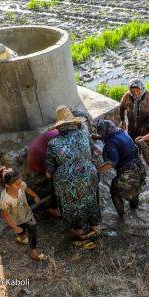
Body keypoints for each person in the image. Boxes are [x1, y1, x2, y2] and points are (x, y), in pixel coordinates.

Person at [45, 106, 101, 248]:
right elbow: (93, 152)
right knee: (91, 199)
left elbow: (49, 170)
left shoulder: (53, 143)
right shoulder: (84, 134)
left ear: (59, 127)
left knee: (72, 207)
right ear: (73, 122)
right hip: (88, 172)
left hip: (66, 179)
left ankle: (80, 233)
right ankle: (95, 228)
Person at [95, 120, 146, 218]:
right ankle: (134, 209)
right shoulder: (122, 132)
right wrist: (99, 137)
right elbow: (114, 139)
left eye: (100, 132)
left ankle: (121, 217)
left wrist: (96, 169)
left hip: (129, 174)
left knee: (114, 190)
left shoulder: (110, 143)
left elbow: (111, 163)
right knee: (135, 190)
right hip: (140, 169)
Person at [0, 167, 46, 261]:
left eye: (20, 182)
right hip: (15, 218)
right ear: (7, 185)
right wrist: (15, 227)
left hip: (27, 214)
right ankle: (21, 237)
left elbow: (27, 189)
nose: (20, 185)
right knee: (20, 229)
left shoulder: (21, 185)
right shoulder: (5, 200)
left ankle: (33, 252)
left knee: (32, 230)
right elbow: (5, 216)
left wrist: (35, 196)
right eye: (17, 184)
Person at [27, 129, 61, 217]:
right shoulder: (61, 137)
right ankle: (53, 208)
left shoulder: (59, 132)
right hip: (39, 156)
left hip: (38, 151)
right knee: (55, 181)